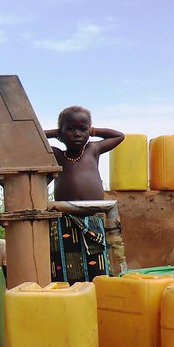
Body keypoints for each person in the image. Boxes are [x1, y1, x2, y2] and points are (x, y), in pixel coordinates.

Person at [45, 105, 125, 282]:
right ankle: (72, 295)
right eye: (70, 129)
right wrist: (54, 132)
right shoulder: (57, 154)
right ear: (62, 132)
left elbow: (119, 136)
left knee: (97, 262)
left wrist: (94, 131)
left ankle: (97, 293)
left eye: (83, 128)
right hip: (66, 217)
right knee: (67, 263)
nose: (77, 133)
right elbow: (33, 138)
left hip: (93, 216)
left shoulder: (93, 150)